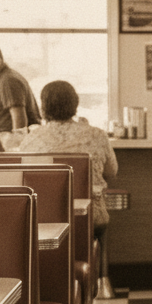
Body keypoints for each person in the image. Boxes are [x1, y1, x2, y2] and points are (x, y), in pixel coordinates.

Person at [19, 80, 118, 237]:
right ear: (75, 104)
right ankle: (96, 251)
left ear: (43, 107)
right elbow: (111, 172)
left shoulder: (31, 139)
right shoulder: (97, 135)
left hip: (45, 216)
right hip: (91, 216)